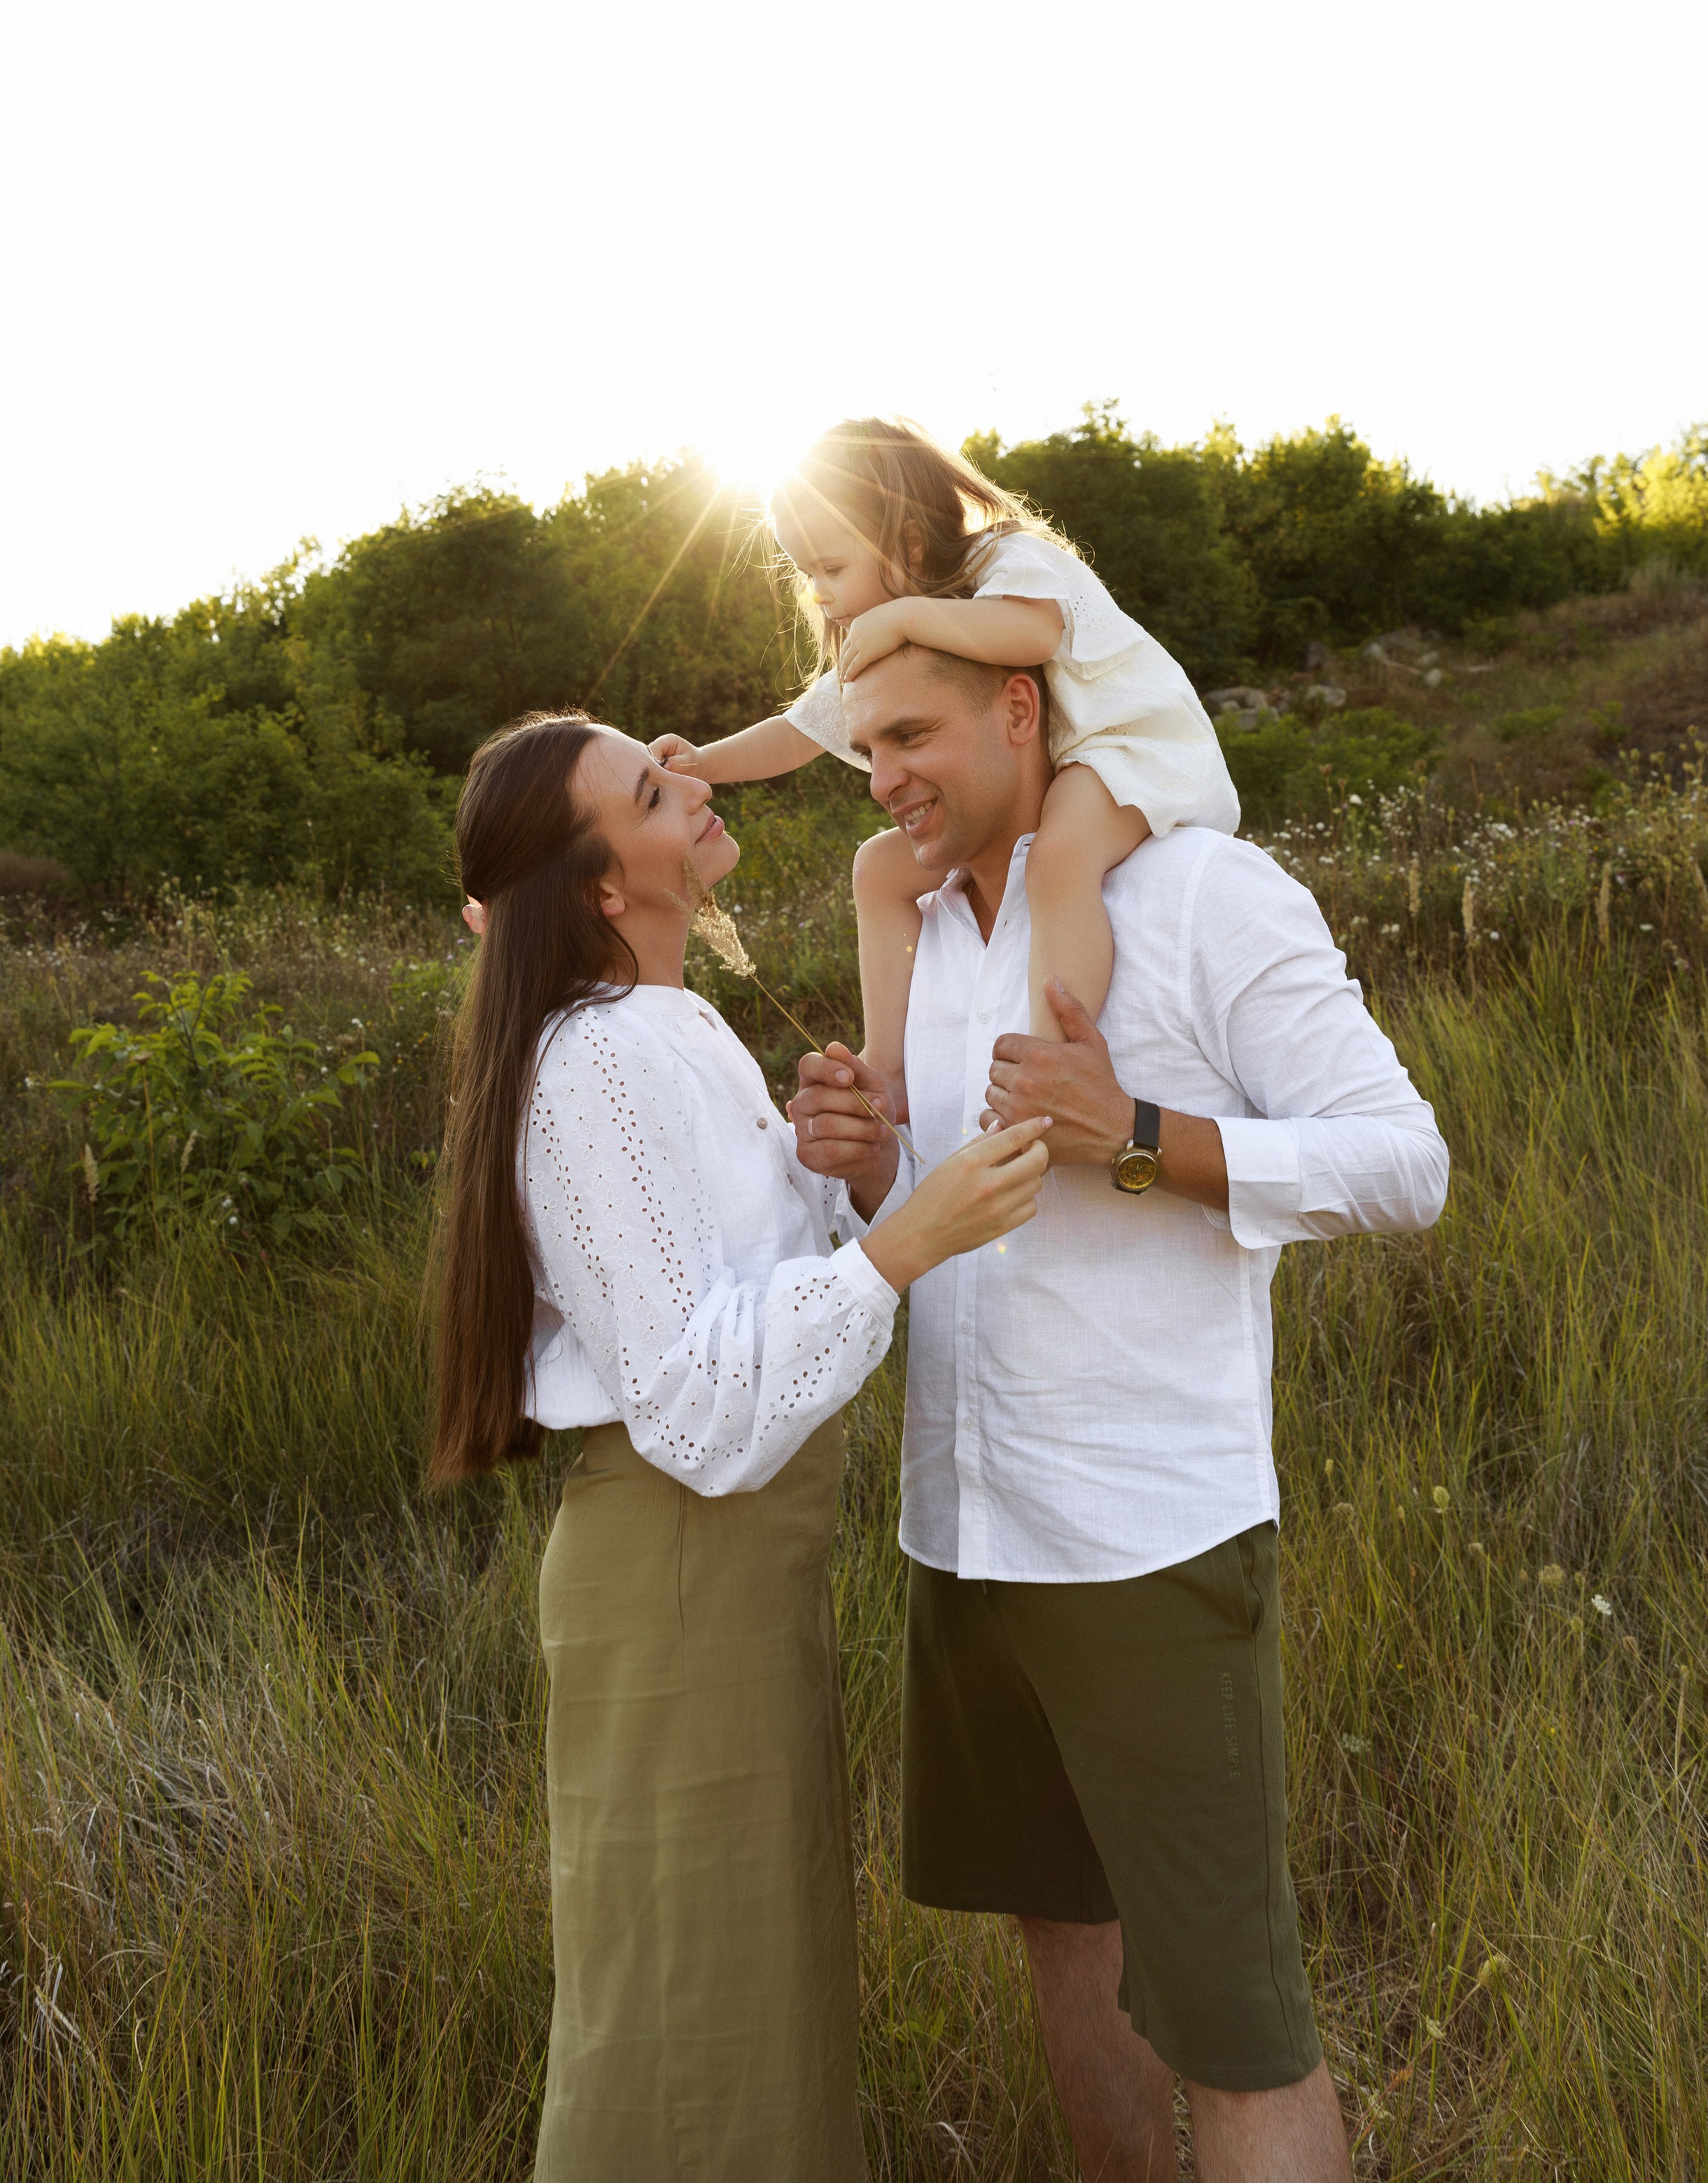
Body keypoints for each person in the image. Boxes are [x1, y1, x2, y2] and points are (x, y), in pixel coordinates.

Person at [788, 645, 1450, 2183]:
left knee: (1233, 2022)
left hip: (1144, 1538)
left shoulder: (1201, 894)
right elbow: (957, 1219)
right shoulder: (926, 927)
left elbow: (1400, 1162)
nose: (881, 775)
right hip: (962, 1527)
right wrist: (865, 1171)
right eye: (858, 746)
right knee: (1058, 1930)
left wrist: (1137, 1134)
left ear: (1018, 710)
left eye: (909, 733)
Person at [428, 708, 1052, 2183]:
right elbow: (696, 1408)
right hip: (680, 1565)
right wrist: (898, 1246)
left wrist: (828, 1179)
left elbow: (728, 1307)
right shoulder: (590, 1062)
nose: (691, 781)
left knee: (746, 1997)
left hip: (724, 1571)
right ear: (600, 885)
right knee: (684, 2027)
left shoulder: (667, 1024)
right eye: (653, 789)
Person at [650, 416, 1237, 1118]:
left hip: (1130, 747)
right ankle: (890, 1067)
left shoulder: (1003, 557)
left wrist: (904, 617)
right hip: (1056, 773)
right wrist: (705, 760)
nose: (819, 593)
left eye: (831, 567)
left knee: (1059, 858)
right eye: (805, 574)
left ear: (909, 541)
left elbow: (1033, 630)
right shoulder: (900, 638)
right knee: (878, 869)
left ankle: (1050, 1064)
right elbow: (800, 729)